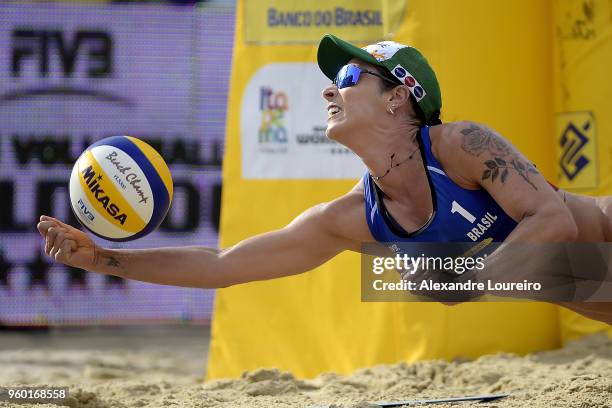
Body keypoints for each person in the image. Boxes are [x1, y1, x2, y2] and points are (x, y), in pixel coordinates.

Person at [37, 34, 612, 324]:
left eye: (348, 75)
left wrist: (467, 277)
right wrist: (105, 261)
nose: (329, 88)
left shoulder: (459, 144)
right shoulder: (352, 219)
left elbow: (556, 220)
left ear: (397, 98)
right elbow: (223, 266)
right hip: (592, 288)